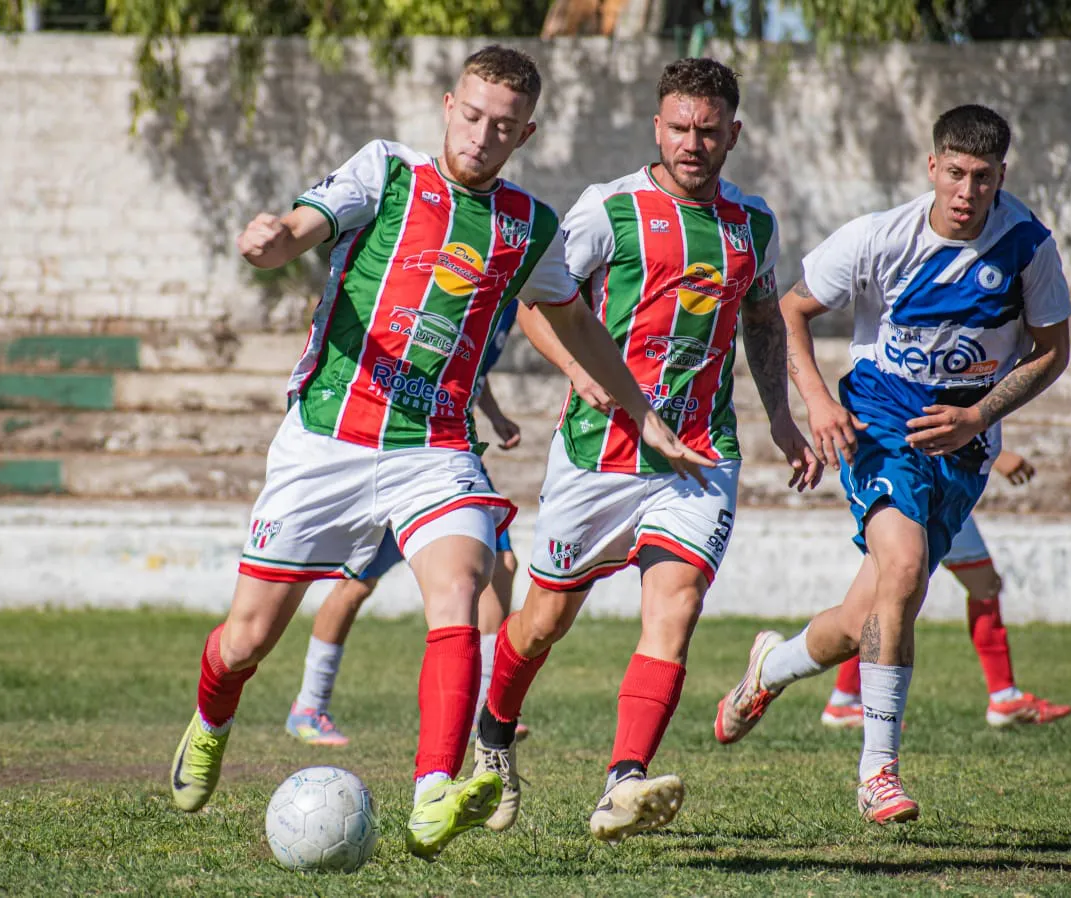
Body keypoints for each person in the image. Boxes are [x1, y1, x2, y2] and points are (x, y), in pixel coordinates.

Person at [167, 45, 716, 862]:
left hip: (435, 451)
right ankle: (210, 724)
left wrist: (640, 410)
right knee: (246, 640)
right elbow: (302, 228)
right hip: (326, 441)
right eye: (471, 115)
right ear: (447, 105)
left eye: (502, 126)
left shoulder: (527, 224)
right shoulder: (386, 173)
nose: (481, 136)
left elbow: (573, 322)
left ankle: (433, 790)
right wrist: (273, 238)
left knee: (460, 589)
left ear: (524, 133)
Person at [470, 57, 822, 846]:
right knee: (541, 622)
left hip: (698, 454)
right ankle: (493, 738)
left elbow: (761, 323)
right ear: (655, 127)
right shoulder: (608, 211)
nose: (692, 143)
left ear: (732, 132)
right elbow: (537, 305)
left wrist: (781, 418)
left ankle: (622, 781)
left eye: (707, 130)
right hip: (598, 453)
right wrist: (577, 375)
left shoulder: (753, 224)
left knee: (676, 609)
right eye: (678, 128)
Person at [714, 104, 1071, 826]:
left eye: (981, 177)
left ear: (1001, 175)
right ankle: (877, 772)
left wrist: (979, 417)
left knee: (863, 616)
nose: (966, 191)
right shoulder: (879, 237)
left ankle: (770, 668)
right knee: (903, 569)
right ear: (931, 166)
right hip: (879, 422)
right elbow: (788, 310)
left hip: (963, 448)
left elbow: (1050, 351)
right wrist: (815, 402)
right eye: (954, 173)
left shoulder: (1027, 245)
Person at [285, 304, 531, 747]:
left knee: (502, 565)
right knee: (357, 583)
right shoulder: (468, 281)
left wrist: (492, 415)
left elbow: (472, 367)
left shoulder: (512, 294)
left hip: (450, 457)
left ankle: (484, 707)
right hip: (402, 451)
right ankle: (308, 705)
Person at [821, 449, 1071, 729]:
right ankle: (844, 699)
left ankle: (1004, 696)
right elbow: (928, 411)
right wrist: (997, 457)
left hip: (941, 486)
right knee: (890, 598)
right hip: (928, 486)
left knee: (982, 585)